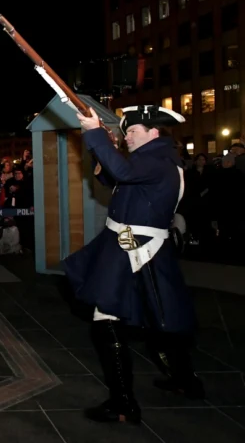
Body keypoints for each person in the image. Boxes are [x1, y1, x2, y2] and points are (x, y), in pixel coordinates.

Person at [65, 105, 202, 425]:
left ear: (154, 132)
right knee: (162, 320)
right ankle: (186, 381)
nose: (127, 136)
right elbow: (115, 178)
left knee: (109, 320)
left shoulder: (154, 160)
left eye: (133, 131)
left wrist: (94, 133)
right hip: (133, 248)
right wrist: (106, 148)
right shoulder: (155, 159)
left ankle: (123, 403)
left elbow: (123, 173)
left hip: (136, 250)